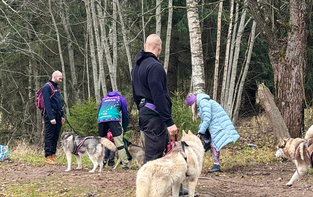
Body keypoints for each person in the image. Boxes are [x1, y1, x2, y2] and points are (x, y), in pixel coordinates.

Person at [132, 34, 188, 195]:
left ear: (145, 45)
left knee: (165, 151)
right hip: (155, 115)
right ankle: (148, 190)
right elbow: (158, 95)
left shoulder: (136, 67)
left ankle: (174, 186)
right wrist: (169, 122)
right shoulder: (155, 67)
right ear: (159, 47)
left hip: (146, 112)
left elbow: (136, 94)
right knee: (154, 156)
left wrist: (142, 111)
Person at [186, 92, 240, 172]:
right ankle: (207, 143)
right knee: (203, 129)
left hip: (219, 124)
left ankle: (216, 165)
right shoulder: (202, 103)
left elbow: (207, 119)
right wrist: (200, 132)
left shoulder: (203, 102)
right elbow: (204, 121)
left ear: (193, 103)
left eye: (191, 106)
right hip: (215, 124)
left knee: (215, 144)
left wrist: (200, 133)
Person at [97, 90, 129, 170]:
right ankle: (125, 164)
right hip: (114, 119)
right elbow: (125, 114)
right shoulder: (121, 99)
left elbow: (99, 112)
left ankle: (99, 162)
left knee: (101, 141)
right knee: (119, 142)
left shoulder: (104, 99)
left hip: (101, 119)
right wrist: (124, 128)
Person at [42, 70, 65, 165]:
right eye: (60, 78)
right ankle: (47, 156)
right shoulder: (47, 87)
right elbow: (46, 103)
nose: (61, 80)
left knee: (56, 136)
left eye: (61, 79)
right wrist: (51, 117)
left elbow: (59, 103)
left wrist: (62, 115)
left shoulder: (57, 88)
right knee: (49, 135)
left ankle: (53, 155)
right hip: (50, 115)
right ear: (54, 77)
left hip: (58, 115)